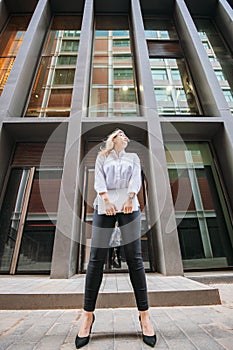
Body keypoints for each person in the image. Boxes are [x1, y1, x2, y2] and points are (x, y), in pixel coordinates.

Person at [75, 129, 156, 349]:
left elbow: (135, 179)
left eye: (126, 135)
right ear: (113, 139)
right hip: (105, 206)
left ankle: (144, 315)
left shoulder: (133, 158)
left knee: (135, 259)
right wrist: (106, 200)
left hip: (130, 206)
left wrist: (130, 198)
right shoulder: (102, 157)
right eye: (121, 134)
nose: (125, 136)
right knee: (95, 259)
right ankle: (88, 316)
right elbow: (99, 180)